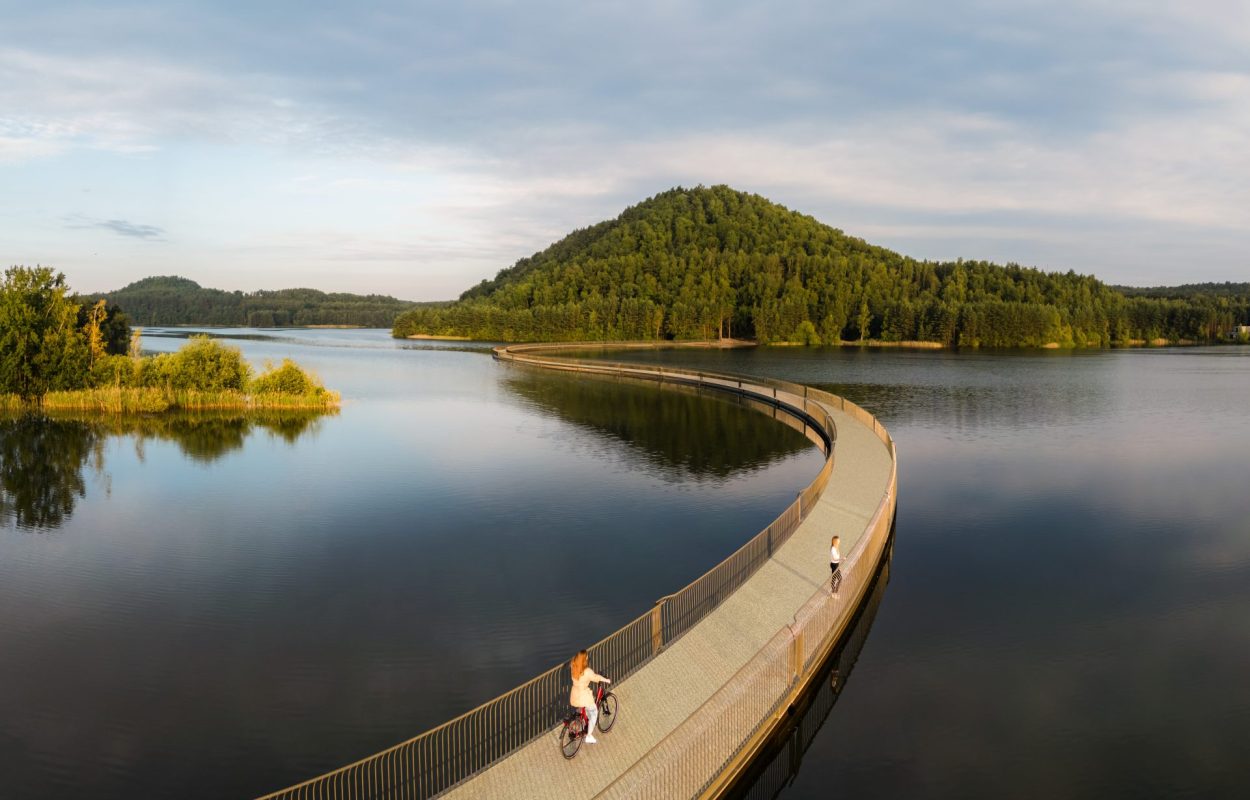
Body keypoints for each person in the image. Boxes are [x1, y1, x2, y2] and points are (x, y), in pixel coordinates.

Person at [569, 649, 611, 744]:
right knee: (594, 713)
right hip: (583, 697)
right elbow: (596, 677)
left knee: (581, 709)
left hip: (574, 695)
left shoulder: (573, 666)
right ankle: (589, 736)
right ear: (584, 660)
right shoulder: (587, 671)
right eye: (586, 657)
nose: (588, 657)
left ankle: (575, 723)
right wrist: (606, 680)